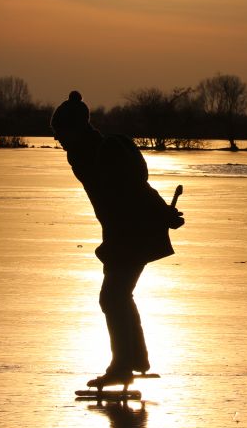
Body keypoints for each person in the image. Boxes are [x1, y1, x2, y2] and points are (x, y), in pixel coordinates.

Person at [51, 91, 184, 387]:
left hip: (133, 234)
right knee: (117, 297)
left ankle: (123, 365)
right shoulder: (85, 155)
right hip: (124, 234)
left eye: (60, 133)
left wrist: (163, 214)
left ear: (75, 130)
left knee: (112, 297)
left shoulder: (105, 152)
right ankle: (134, 359)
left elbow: (136, 189)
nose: (58, 141)